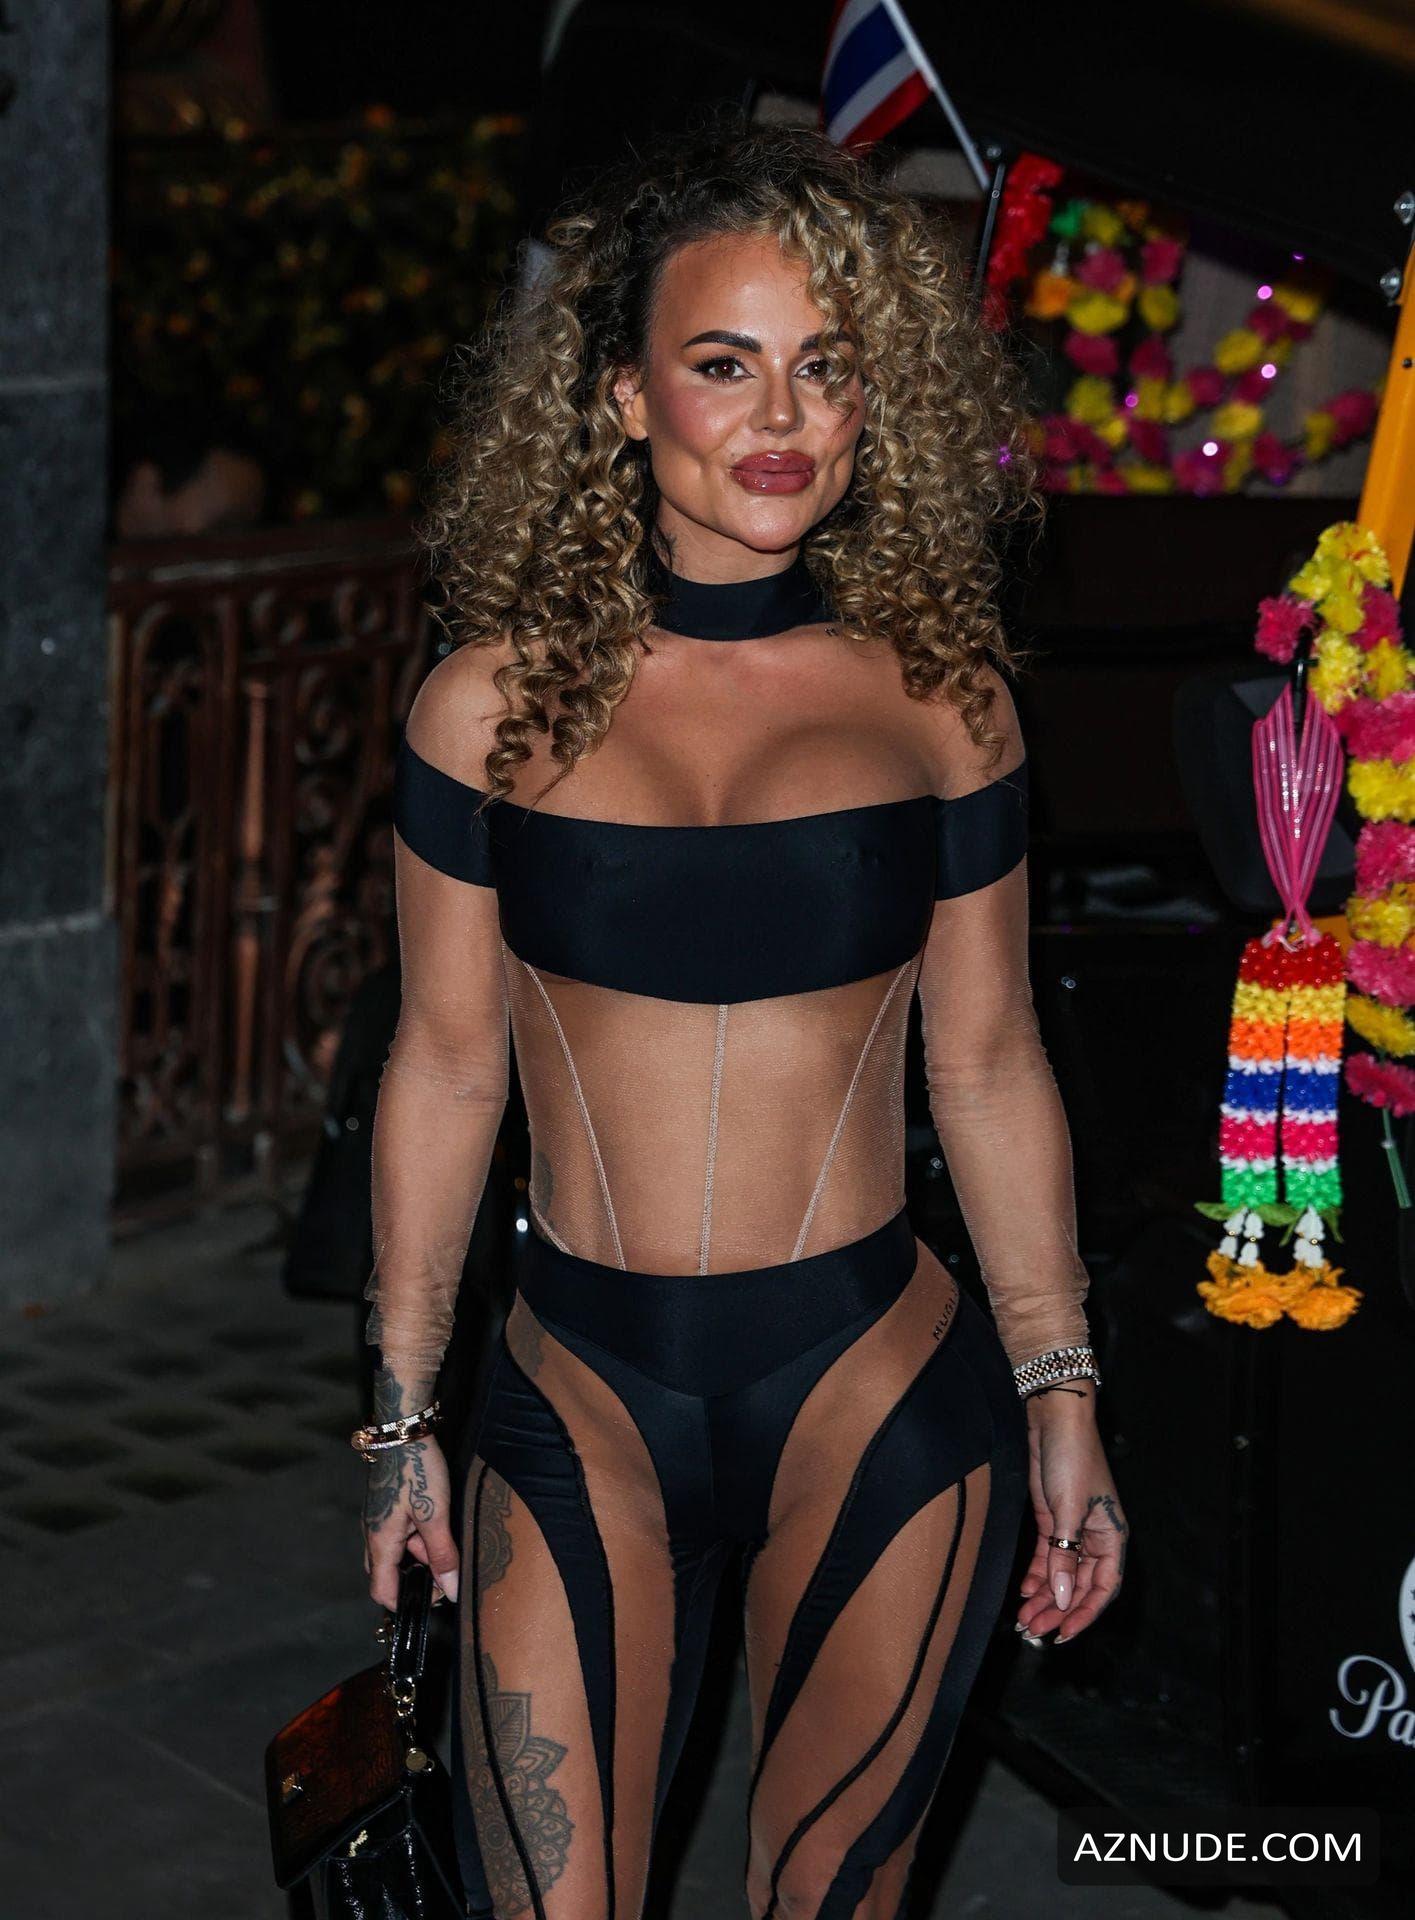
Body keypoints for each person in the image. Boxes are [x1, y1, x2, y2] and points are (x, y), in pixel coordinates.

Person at [356, 123, 1128, 1920]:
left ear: (874, 404)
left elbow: (990, 1061)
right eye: (724, 363)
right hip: (577, 1398)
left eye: (824, 366)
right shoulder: (484, 709)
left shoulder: (943, 701)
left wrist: (1062, 1392)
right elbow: (448, 1065)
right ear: (626, 398)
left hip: (879, 1393)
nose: (781, 415)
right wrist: (396, 1419)